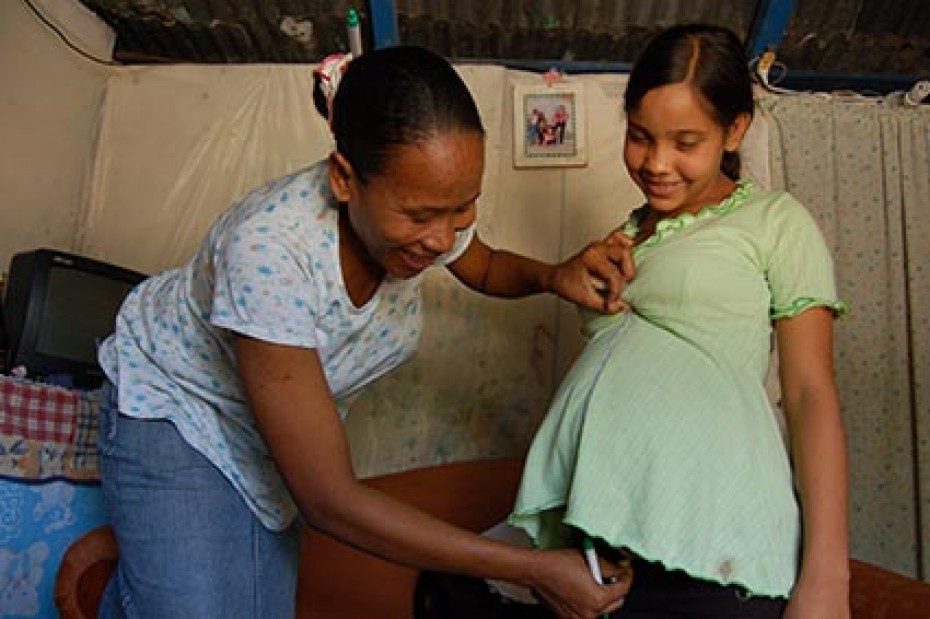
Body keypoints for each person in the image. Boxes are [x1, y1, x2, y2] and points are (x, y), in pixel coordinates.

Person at [95, 45, 635, 619]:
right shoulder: (268, 253)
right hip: (180, 412)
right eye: (421, 215)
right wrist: (529, 567)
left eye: (464, 208)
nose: (441, 237)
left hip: (263, 441)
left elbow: (483, 265)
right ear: (344, 179)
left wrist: (555, 276)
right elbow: (329, 500)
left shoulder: (425, 213)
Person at [508, 24, 850, 618]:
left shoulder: (775, 221)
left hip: (717, 532)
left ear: (734, 131)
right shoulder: (623, 237)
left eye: (685, 142)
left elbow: (809, 394)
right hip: (606, 545)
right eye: (640, 137)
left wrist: (827, 575)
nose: (657, 163)